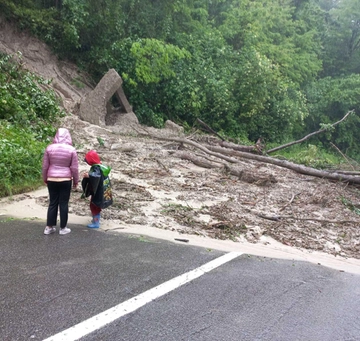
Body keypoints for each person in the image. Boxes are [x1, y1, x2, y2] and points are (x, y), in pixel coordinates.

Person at [42, 128, 79, 235]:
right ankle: (63, 228)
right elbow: (74, 168)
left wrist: (45, 178)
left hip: (52, 179)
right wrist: (76, 181)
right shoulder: (71, 150)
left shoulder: (49, 148)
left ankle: (49, 227)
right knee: (63, 203)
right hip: (65, 179)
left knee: (52, 202)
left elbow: (45, 166)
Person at [82, 150, 112, 228]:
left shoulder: (97, 168)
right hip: (102, 191)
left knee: (94, 206)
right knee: (96, 205)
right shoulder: (101, 167)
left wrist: (88, 176)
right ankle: (95, 220)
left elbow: (96, 176)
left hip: (99, 192)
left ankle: (96, 223)